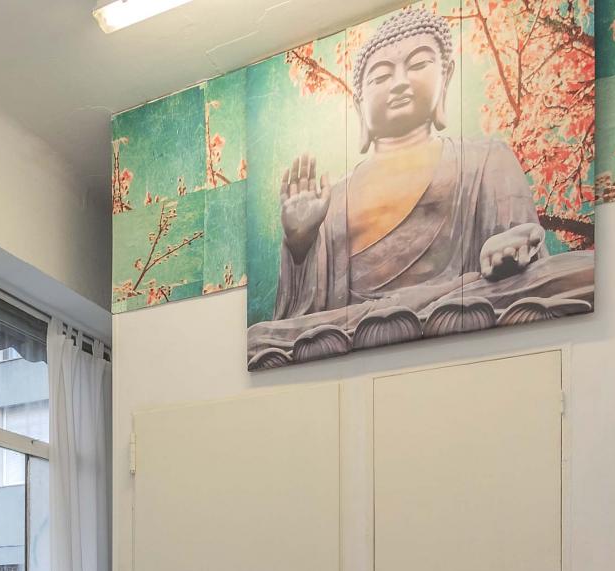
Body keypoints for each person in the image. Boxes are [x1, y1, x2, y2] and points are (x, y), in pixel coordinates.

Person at [247, 6, 594, 367]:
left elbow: (526, 259)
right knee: (257, 339)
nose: (399, 82)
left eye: (417, 65)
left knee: (582, 272)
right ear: (359, 102)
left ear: (446, 77)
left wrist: (506, 250)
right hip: (352, 324)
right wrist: (300, 245)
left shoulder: (486, 159)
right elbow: (302, 314)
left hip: (464, 299)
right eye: (381, 76)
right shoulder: (332, 198)